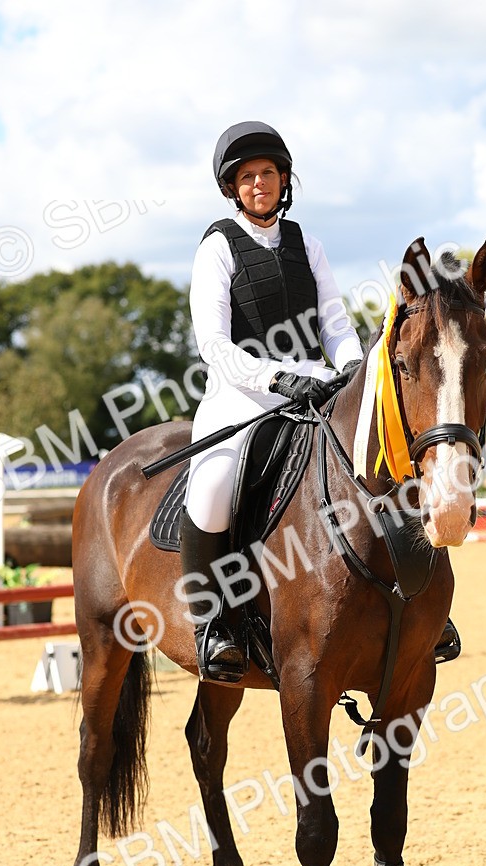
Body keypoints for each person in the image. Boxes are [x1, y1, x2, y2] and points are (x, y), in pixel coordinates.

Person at [181, 121, 364, 684]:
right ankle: (214, 623)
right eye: (247, 177)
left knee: (379, 457)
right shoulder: (217, 246)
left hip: (315, 384)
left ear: (283, 179)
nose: (258, 183)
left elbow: (333, 319)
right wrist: (277, 379)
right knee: (211, 489)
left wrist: (352, 367)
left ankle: (421, 603)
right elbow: (212, 343)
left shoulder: (305, 241)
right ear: (232, 188)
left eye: (267, 173)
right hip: (241, 396)